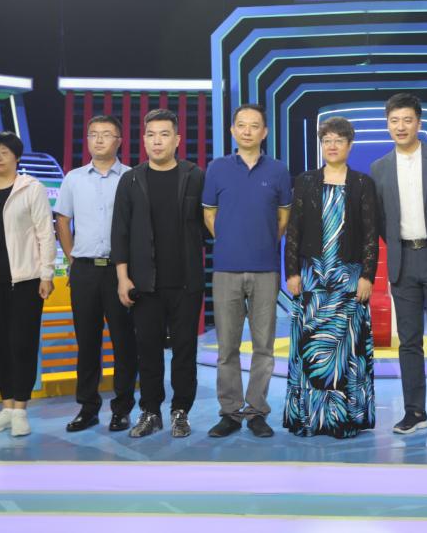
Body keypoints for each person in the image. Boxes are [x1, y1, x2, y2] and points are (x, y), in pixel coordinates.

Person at [370, 93, 427, 439]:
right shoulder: (379, 168)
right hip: (403, 261)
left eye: (407, 120)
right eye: (394, 121)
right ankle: (414, 411)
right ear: (387, 125)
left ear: (419, 123)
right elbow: (381, 220)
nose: (401, 127)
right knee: (408, 342)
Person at [111, 109, 206, 438]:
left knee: (185, 351)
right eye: (151, 134)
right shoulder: (131, 179)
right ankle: (150, 411)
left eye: (164, 134)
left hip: (186, 281)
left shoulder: (195, 176)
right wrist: (122, 277)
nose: (157, 141)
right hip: (144, 283)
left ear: (177, 139)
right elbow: (120, 231)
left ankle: (181, 411)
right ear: (143, 140)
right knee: (148, 350)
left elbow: (209, 224)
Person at [283, 117, 378, 438]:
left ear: (350, 145)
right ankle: (310, 419)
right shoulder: (305, 181)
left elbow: (370, 234)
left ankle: (344, 420)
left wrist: (367, 276)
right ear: (321, 145)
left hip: (349, 279)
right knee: (311, 348)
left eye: (339, 140)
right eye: (327, 140)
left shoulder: (363, 183)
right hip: (312, 278)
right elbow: (294, 230)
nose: (332, 146)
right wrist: (292, 272)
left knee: (345, 351)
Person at [202, 103, 292, 439]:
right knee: (226, 347)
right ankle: (229, 412)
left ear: (264, 132)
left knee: (263, 347)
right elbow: (209, 214)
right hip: (226, 269)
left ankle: (256, 412)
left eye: (255, 125)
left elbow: (283, 218)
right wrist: (228, 240)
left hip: (266, 269)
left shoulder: (279, 170)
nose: (248, 131)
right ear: (232, 130)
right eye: (242, 125)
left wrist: (263, 242)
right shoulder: (217, 168)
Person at [0, 131, 56, 437]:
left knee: (22, 344)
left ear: (16, 157)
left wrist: (46, 274)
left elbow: (45, 233)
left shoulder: (31, 188)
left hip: (25, 280)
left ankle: (20, 410)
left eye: (3, 152)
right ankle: (6, 407)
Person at [55, 115, 137, 433]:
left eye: (106, 134)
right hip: (85, 271)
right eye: (93, 134)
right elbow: (62, 220)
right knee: (87, 342)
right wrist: (72, 259)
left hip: (121, 272)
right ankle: (88, 408)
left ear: (119, 141)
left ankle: (122, 409)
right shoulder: (73, 179)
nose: (99, 139)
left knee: (124, 343)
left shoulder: (132, 177)